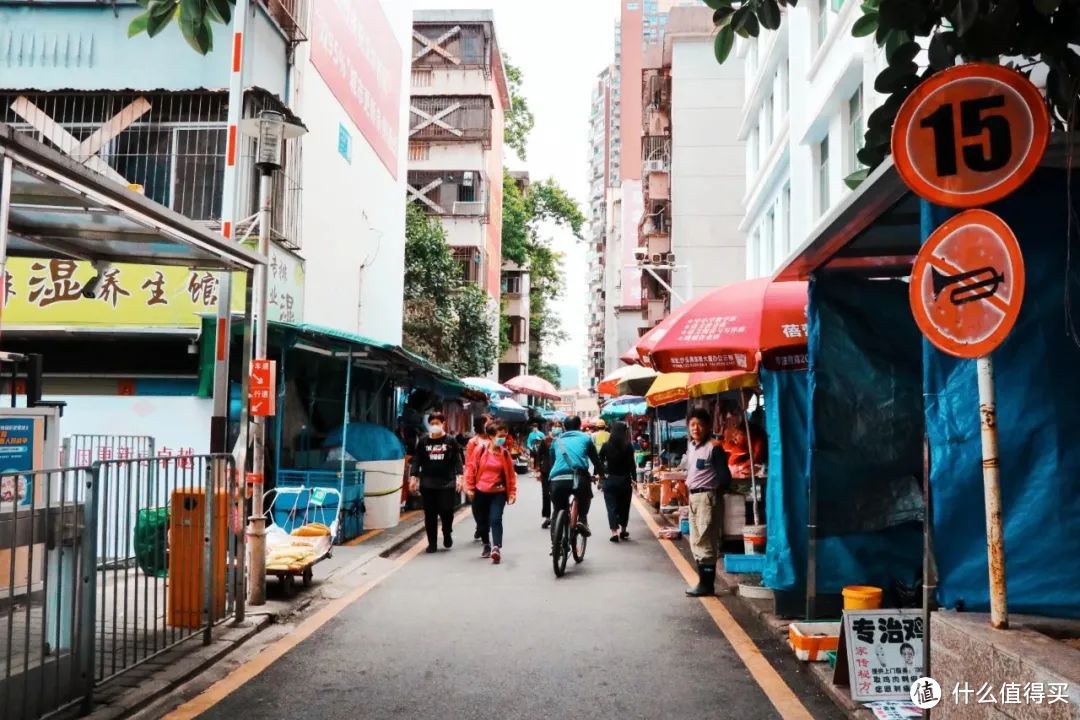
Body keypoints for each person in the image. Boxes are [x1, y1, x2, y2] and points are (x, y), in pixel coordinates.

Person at [684, 408, 732, 597]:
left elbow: (725, 478)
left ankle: (707, 585)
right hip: (693, 497)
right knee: (696, 541)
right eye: (692, 424)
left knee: (705, 540)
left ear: (707, 427)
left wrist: (712, 494)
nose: (696, 428)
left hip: (706, 498)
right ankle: (702, 582)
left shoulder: (714, 447)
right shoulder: (692, 446)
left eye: (700, 424)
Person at [408, 412, 463, 553]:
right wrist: (413, 477)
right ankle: (432, 543)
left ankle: (446, 532)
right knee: (430, 514)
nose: (434, 426)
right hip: (428, 483)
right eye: (432, 423)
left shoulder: (450, 441)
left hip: (447, 482)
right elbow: (417, 459)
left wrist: (460, 477)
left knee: (446, 511)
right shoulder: (423, 440)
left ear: (443, 424)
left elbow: (457, 460)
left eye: (437, 423)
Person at [465, 421, 518, 564]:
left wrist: (512, 492)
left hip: (498, 492)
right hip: (480, 492)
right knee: (481, 522)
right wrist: (469, 487)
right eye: (500, 436)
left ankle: (496, 547)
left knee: (495, 519)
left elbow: (511, 475)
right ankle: (486, 544)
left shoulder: (505, 454)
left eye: (505, 436)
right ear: (491, 436)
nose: (503, 439)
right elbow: (470, 469)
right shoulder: (480, 451)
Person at [548, 415, 600, 538]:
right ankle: (582, 519)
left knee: (557, 510)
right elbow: (596, 460)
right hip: (579, 479)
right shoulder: (586, 439)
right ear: (579, 426)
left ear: (564, 427)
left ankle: (555, 544)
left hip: (557, 480)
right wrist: (601, 475)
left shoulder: (556, 440)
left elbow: (552, 462)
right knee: (585, 496)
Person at [599, 421, 636, 542]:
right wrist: (634, 479)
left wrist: (600, 475)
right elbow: (632, 465)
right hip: (625, 480)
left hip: (610, 480)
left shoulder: (605, 446)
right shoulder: (628, 446)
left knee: (611, 507)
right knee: (624, 506)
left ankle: (614, 532)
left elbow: (599, 462)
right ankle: (623, 530)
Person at [463, 415, 492, 541]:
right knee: (476, 505)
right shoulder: (472, 442)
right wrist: (468, 481)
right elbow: (469, 463)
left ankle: (483, 527)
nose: (490, 424)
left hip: (491, 477)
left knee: (490, 506)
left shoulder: (494, 440)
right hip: (476, 478)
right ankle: (480, 525)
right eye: (488, 422)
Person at [537, 421, 562, 529]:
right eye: (555, 427)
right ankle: (547, 517)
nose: (557, 428)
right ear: (551, 428)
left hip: (559, 470)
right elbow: (539, 455)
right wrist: (537, 469)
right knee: (546, 494)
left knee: (556, 494)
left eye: (559, 427)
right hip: (546, 470)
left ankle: (558, 515)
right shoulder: (545, 440)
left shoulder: (564, 440)